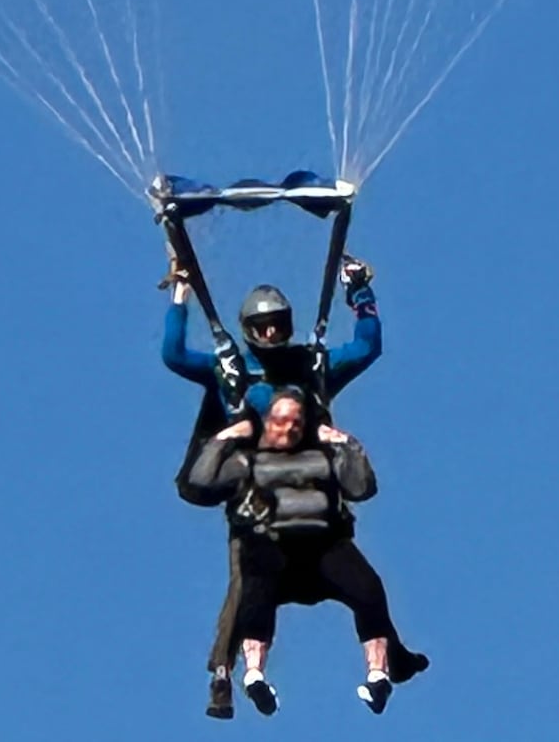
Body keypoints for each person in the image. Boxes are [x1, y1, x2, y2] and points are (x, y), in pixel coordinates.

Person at [184, 388, 427, 717]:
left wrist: (345, 444)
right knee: (254, 583)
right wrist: (226, 437)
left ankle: (377, 674)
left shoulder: (323, 457)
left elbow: (362, 488)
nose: (289, 429)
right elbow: (200, 482)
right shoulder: (249, 459)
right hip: (275, 548)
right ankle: (253, 673)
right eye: (281, 421)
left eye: (296, 423)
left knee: (368, 588)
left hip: (323, 547)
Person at [162, 258, 382, 420]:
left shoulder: (311, 364)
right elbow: (174, 356)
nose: (271, 333)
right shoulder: (230, 369)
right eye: (262, 327)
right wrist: (180, 297)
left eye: (278, 324)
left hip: (307, 463)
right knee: (258, 394)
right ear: (250, 330)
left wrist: (359, 292)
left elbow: (366, 347)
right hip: (248, 464)